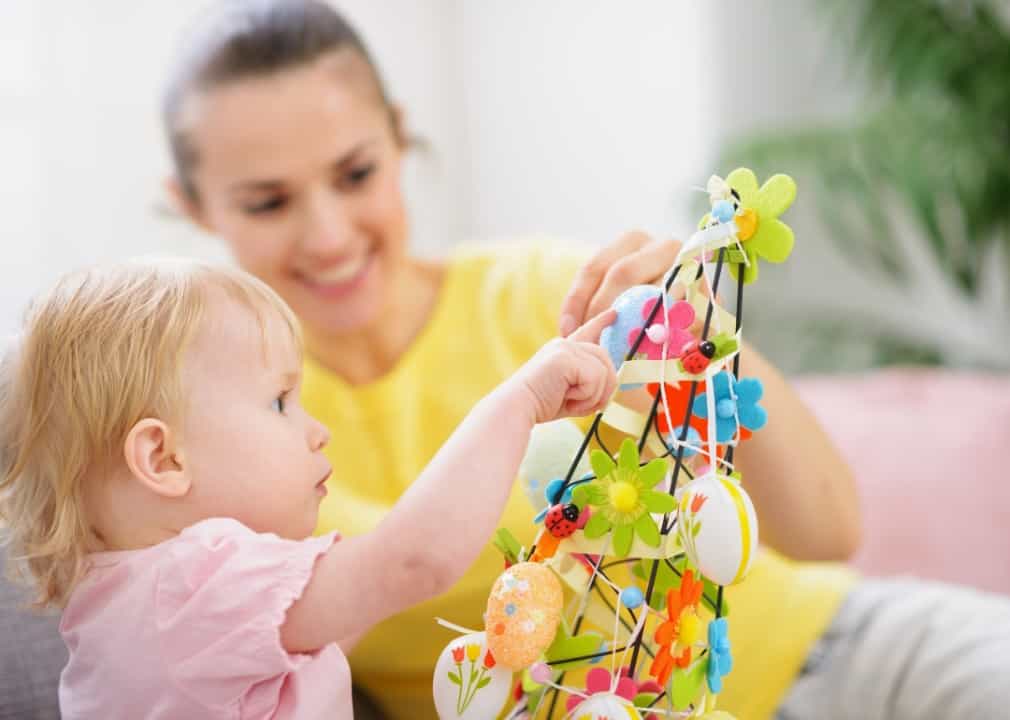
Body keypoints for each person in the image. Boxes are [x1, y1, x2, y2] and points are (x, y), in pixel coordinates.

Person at [159, 2, 1010, 718]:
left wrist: (703, 329)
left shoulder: (545, 289)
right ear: (191, 204)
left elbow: (828, 534)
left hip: (844, 654)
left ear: (399, 137)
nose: (328, 234)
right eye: (268, 201)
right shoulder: (223, 426)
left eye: (355, 173)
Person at [0, 259, 617, 718]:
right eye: (279, 401)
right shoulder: (193, 586)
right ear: (162, 458)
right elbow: (412, 561)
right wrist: (519, 403)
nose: (317, 432)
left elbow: (341, 620)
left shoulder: (144, 602)